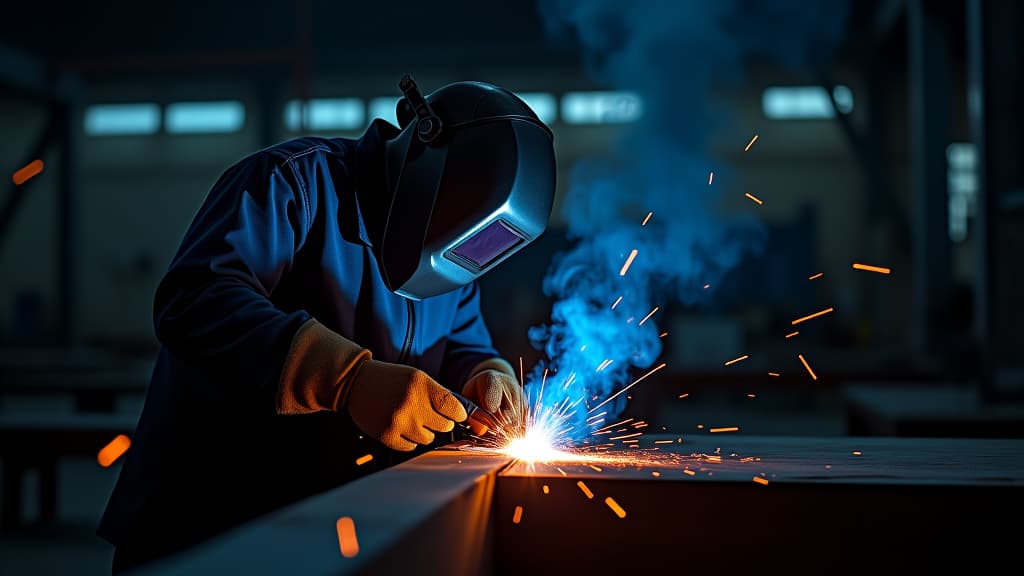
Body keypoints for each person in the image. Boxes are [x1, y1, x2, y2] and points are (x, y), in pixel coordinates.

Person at [98, 75, 556, 572]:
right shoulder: (290, 182)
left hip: (341, 530)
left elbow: (462, 336)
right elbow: (195, 300)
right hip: (210, 522)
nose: (461, 260)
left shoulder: (454, 257)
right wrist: (346, 379)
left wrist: (487, 373)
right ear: (428, 148)